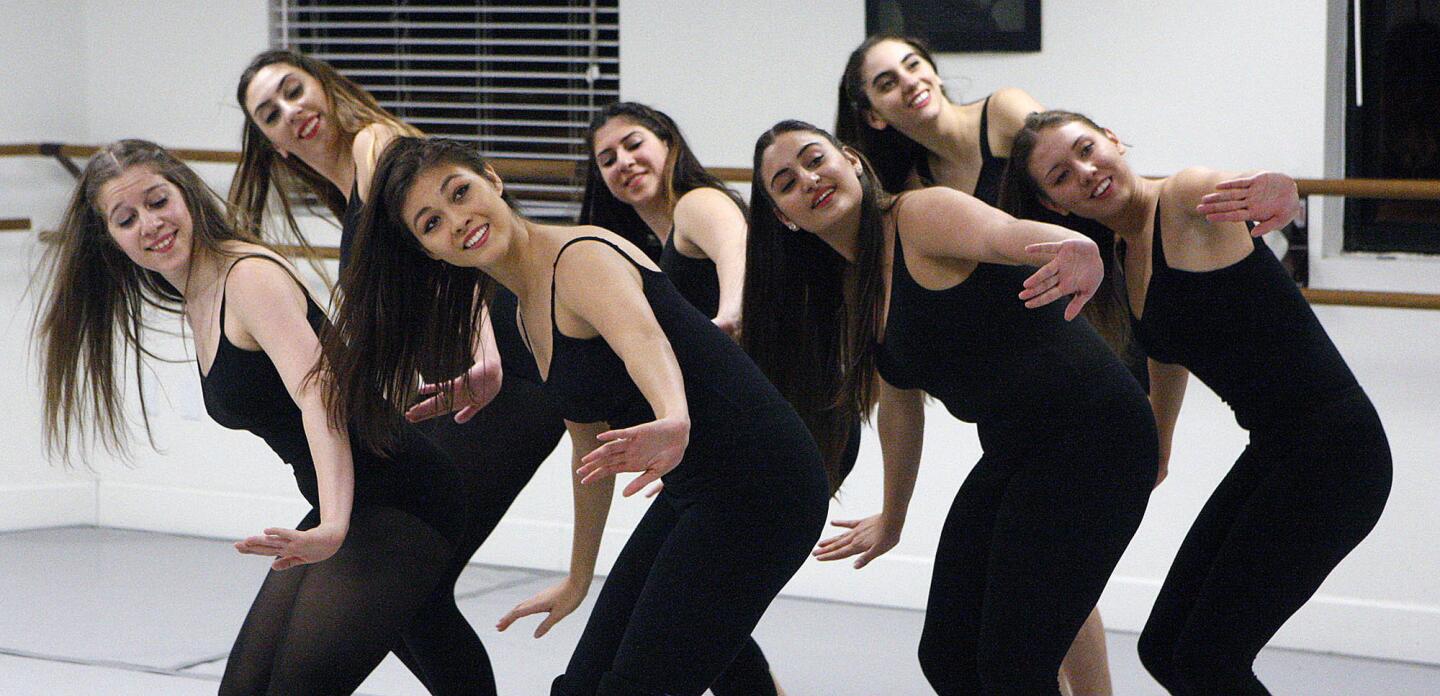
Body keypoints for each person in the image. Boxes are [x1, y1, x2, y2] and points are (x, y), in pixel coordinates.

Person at [322, 136, 829, 696]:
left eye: (460, 192)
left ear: (492, 178)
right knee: (582, 683)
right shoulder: (523, 313)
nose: (458, 221)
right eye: (432, 223)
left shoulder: (580, 256)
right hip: (699, 489)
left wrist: (673, 415)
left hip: (765, 487)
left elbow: (647, 344)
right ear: (431, 252)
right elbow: (587, 447)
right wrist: (578, 575)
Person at [36, 139, 472, 694]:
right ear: (111, 240)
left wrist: (333, 525)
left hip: (400, 494)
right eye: (126, 218)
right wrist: (333, 515)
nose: (150, 223)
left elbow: (322, 395)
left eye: (157, 200)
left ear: (186, 194)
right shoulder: (196, 293)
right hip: (355, 499)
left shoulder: (245, 277)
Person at [748, 120, 1156, 695]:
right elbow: (898, 404)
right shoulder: (855, 287)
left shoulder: (919, 216)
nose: (809, 181)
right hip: (1019, 451)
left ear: (854, 161)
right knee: (948, 655)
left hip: (1096, 440)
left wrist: (1074, 246)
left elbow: (1007, 234)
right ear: (785, 216)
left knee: (1015, 666)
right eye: (786, 184)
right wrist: (893, 515)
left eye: (816, 160)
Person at [999, 109, 1393, 694]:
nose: (1085, 171)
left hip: (1336, 453)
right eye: (1061, 175)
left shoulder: (1182, 197)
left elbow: (1231, 186)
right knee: (1165, 650)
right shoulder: (1125, 254)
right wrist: (1159, 445)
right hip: (1280, 450)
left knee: (1210, 661)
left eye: (1087, 148)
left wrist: (1274, 187)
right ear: (1056, 207)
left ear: (1113, 139)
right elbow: (1167, 352)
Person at [233, 49, 567, 693]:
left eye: (295, 91)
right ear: (269, 142)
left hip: (506, 381)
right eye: (270, 112)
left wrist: (481, 340)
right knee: (417, 590)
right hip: (466, 389)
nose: (291, 112)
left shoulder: (374, 144)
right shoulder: (345, 190)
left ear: (325, 87)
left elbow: (447, 222)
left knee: (413, 574)